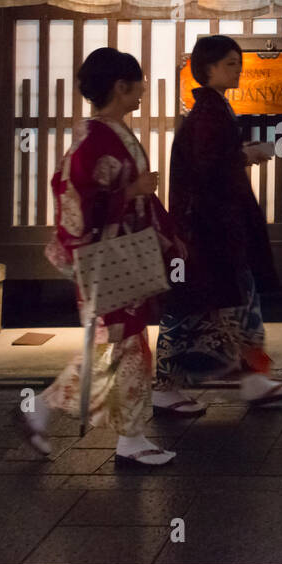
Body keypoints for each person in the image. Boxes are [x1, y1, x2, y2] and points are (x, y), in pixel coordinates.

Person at [15, 47, 186, 466]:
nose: (144, 88)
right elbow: (75, 198)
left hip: (120, 254)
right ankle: (129, 438)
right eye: (138, 81)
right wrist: (130, 193)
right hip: (107, 258)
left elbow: (133, 193)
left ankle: (42, 408)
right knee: (127, 344)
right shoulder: (95, 140)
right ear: (119, 86)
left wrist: (166, 232)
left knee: (117, 343)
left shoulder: (110, 133)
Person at [152, 34, 282, 412]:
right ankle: (168, 386)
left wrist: (241, 154)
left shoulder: (210, 112)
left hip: (214, 231)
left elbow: (213, 166)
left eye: (239, 62)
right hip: (207, 233)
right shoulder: (207, 115)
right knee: (192, 310)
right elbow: (209, 172)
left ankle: (252, 379)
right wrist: (247, 154)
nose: (238, 69)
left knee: (233, 305)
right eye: (231, 63)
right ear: (209, 68)